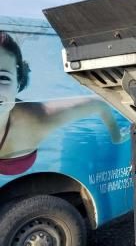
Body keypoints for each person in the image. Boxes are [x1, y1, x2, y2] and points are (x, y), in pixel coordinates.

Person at [0, 31, 124, 175]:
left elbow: (99, 104)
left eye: (3, 77)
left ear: (18, 84)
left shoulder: (38, 119)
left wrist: (116, 136)